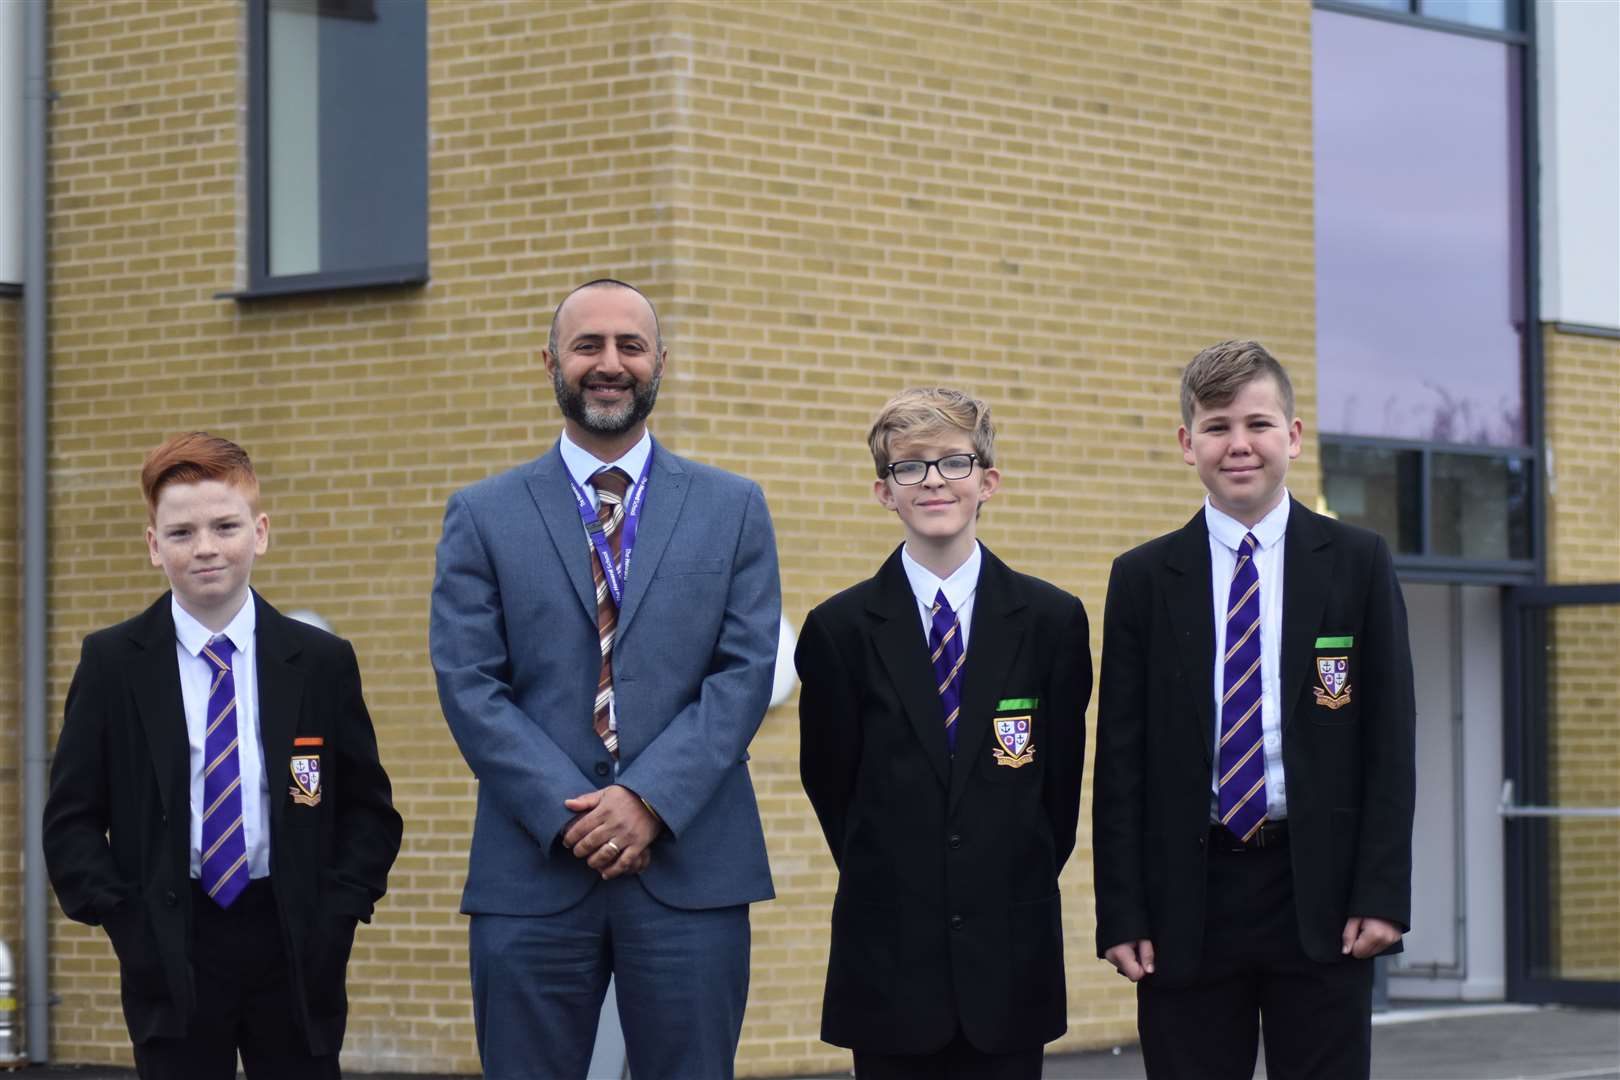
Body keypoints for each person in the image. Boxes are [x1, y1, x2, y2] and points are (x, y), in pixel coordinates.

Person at [430, 278, 781, 1080]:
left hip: (692, 870)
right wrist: (580, 816)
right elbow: (469, 683)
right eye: (588, 345)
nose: (610, 363)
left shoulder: (733, 507)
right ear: (550, 362)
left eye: (631, 345)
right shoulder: (483, 514)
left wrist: (647, 801)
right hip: (534, 868)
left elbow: (744, 672)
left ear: (662, 362)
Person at [1092, 341, 1416, 1079]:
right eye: (1216, 427)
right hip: (1188, 900)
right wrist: (1122, 911)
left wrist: (1382, 893)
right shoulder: (1143, 578)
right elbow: (1120, 760)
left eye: (1258, 424)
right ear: (1187, 445)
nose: (1239, 445)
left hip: (1323, 896)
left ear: (1294, 438)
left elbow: (1390, 744)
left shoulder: (1358, 562)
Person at [42, 432, 403, 1080]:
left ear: (259, 533)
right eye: (181, 533)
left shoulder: (319, 663)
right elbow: (70, 818)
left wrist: (338, 914)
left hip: (292, 942)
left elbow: (367, 809)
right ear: (155, 546)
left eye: (225, 526)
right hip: (172, 945)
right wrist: (128, 922)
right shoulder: (112, 664)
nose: (205, 547)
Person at [796, 387, 1091, 1079]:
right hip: (891, 964)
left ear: (988, 481)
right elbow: (833, 789)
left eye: (954, 462)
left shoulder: (1051, 622)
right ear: (883, 492)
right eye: (910, 467)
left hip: (1010, 963)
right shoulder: (839, 631)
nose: (932, 480)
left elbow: (1057, 794)